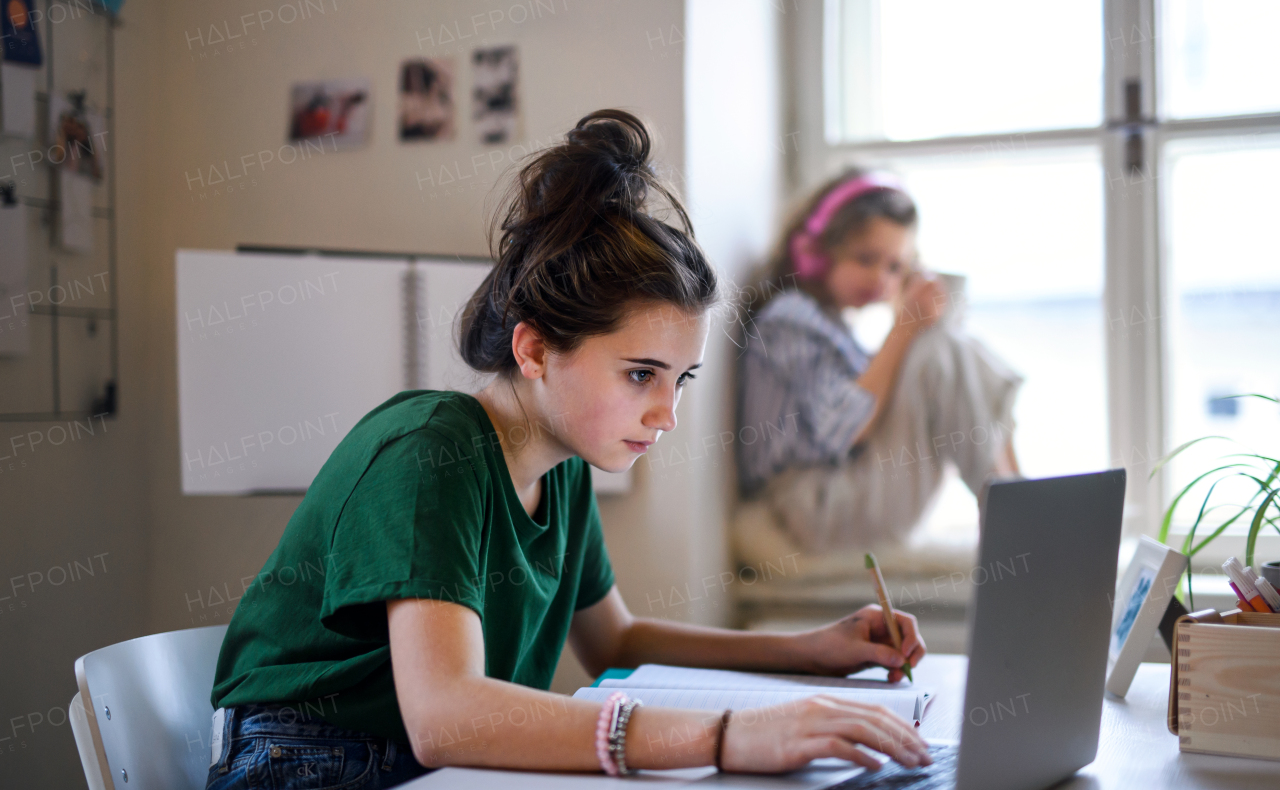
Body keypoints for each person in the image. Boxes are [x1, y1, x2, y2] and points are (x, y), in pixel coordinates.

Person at [205, 111, 932, 789]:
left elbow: (614, 642)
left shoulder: (562, 471)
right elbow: (445, 717)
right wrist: (726, 737)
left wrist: (812, 652)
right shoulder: (432, 452)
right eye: (641, 374)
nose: (667, 413)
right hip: (309, 759)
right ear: (534, 348)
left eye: (681, 380)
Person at [736, 168, 1023, 554]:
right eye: (866, 258)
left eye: (894, 267)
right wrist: (904, 329)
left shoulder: (829, 323)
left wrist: (910, 325)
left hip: (841, 492)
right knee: (937, 348)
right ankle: (1016, 509)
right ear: (816, 253)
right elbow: (844, 427)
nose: (880, 278)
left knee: (951, 344)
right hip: (816, 505)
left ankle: (1017, 495)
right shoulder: (790, 318)